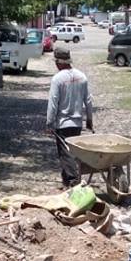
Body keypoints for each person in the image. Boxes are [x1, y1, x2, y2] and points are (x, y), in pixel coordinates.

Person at [45, 45, 93, 188]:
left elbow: (53, 102)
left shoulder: (57, 79)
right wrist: (89, 120)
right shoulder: (81, 77)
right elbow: (88, 100)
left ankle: (73, 182)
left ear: (59, 62)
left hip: (63, 123)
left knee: (65, 154)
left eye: (56, 62)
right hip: (77, 123)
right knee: (71, 152)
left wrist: (49, 123)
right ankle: (66, 181)